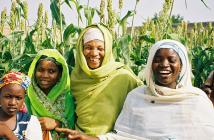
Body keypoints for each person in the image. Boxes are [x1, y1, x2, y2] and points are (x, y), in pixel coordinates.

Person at [56, 39, 214, 140]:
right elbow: (123, 137)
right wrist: (91, 138)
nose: (164, 65)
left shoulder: (197, 101)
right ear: (150, 65)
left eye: (171, 60)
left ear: (182, 66)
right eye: (157, 60)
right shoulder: (137, 97)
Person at [70, 24, 142, 136]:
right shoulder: (75, 77)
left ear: (108, 50)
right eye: (88, 48)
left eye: (100, 48)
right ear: (81, 49)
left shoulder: (124, 77)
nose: (94, 53)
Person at [25, 49, 75, 139]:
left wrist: (57, 123)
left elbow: (73, 130)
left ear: (60, 75)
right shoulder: (28, 97)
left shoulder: (68, 98)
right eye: (40, 70)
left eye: (51, 71)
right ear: (34, 71)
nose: (45, 75)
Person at [0, 71, 42, 140]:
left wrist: (8, 133)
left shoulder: (30, 122)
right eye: (8, 97)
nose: (13, 103)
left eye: (18, 98)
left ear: (23, 99)